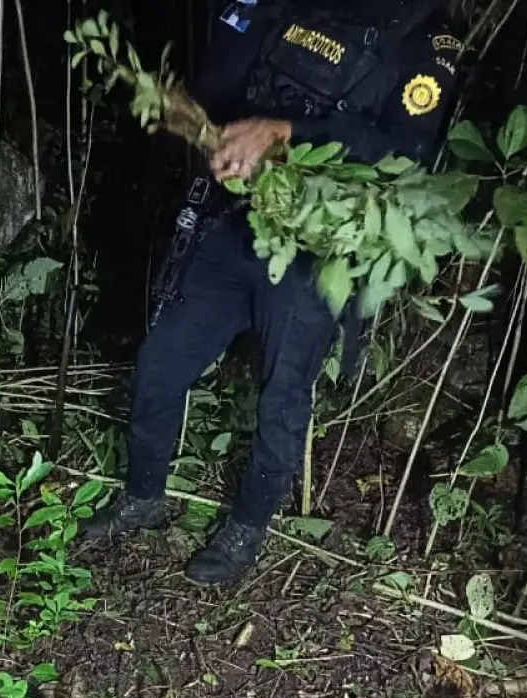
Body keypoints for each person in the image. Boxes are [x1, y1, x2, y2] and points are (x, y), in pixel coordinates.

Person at [80, 0, 461, 585]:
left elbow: (407, 152)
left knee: (283, 396)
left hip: (317, 250)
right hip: (235, 226)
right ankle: (142, 497)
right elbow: (232, 80)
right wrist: (195, 119)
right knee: (160, 364)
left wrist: (285, 132)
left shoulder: (423, 36)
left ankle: (246, 529)